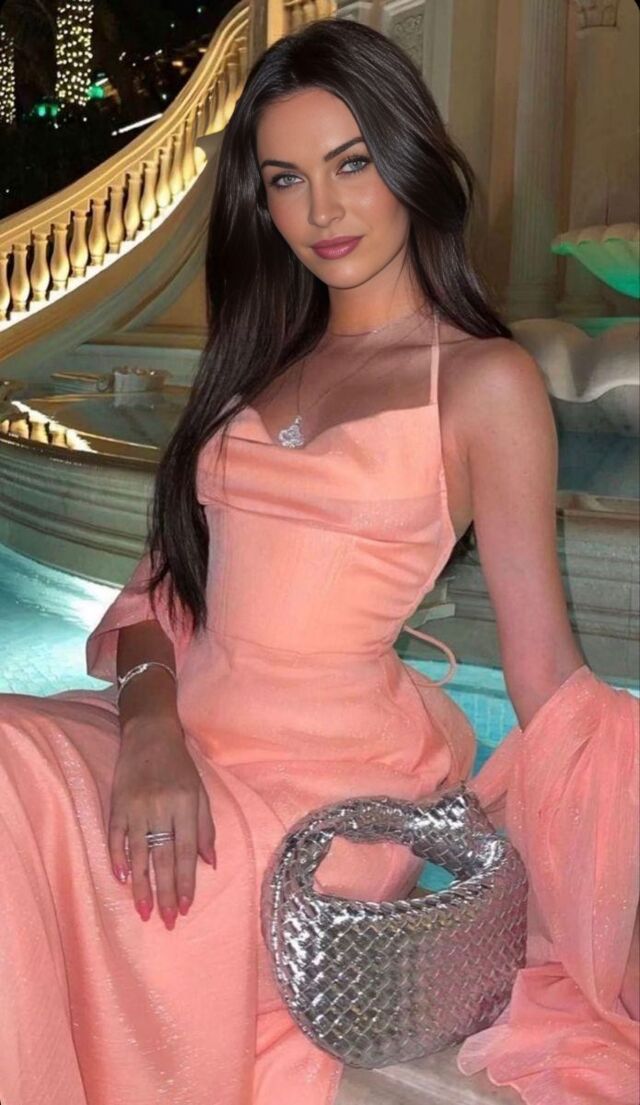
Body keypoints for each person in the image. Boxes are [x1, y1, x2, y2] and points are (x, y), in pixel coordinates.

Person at [0, 18, 637, 1105]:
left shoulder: (480, 382)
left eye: (351, 164)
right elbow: (162, 589)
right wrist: (149, 728)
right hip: (173, 740)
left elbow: (544, 674)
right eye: (286, 179)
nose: (322, 212)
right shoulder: (258, 357)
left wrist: (608, 885)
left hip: (316, 799)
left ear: (410, 161)